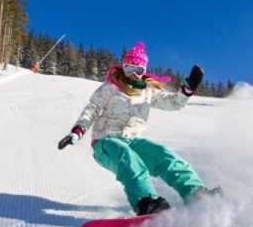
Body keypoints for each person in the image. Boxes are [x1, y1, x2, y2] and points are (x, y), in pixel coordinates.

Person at [58, 42, 221, 216]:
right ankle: (145, 201)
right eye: (129, 69)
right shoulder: (110, 88)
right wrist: (77, 131)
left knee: (164, 155)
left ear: (144, 71)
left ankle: (196, 194)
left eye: (138, 70)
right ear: (123, 68)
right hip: (105, 143)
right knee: (127, 158)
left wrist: (187, 90)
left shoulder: (148, 92)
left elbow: (172, 102)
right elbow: (92, 109)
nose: (134, 75)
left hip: (132, 140)